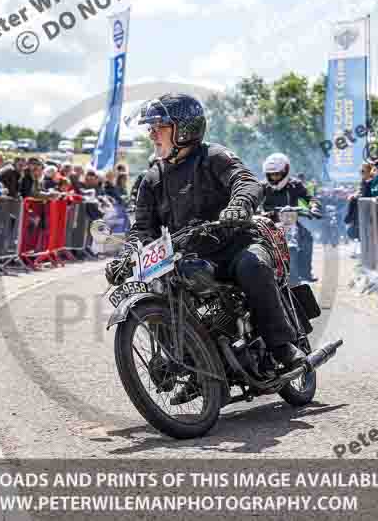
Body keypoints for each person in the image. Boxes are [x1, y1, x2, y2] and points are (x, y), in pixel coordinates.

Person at [107, 93, 308, 405]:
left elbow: (246, 182)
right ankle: (198, 368)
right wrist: (126, 256)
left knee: (252, 266)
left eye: (158, 127)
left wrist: (239, 205)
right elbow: (142, 228)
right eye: (151, 128)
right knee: (161, 289)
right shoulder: (151, 179)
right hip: (189, 256)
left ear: (183, 129)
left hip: (233, 245)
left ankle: (282, 345)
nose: (151, 134)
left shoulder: (212, 156)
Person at [260, 152, 320, 282]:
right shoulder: (263, 186)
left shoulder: (295, 184)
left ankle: (305, 273)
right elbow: (253, 201)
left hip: (290, 222)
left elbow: (310, 198)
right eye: (271, 174)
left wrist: (313, 207)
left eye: (277, 174)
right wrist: (255, 211)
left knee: (307, 237)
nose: (274, 177)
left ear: (285, 171)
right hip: (268, 223)